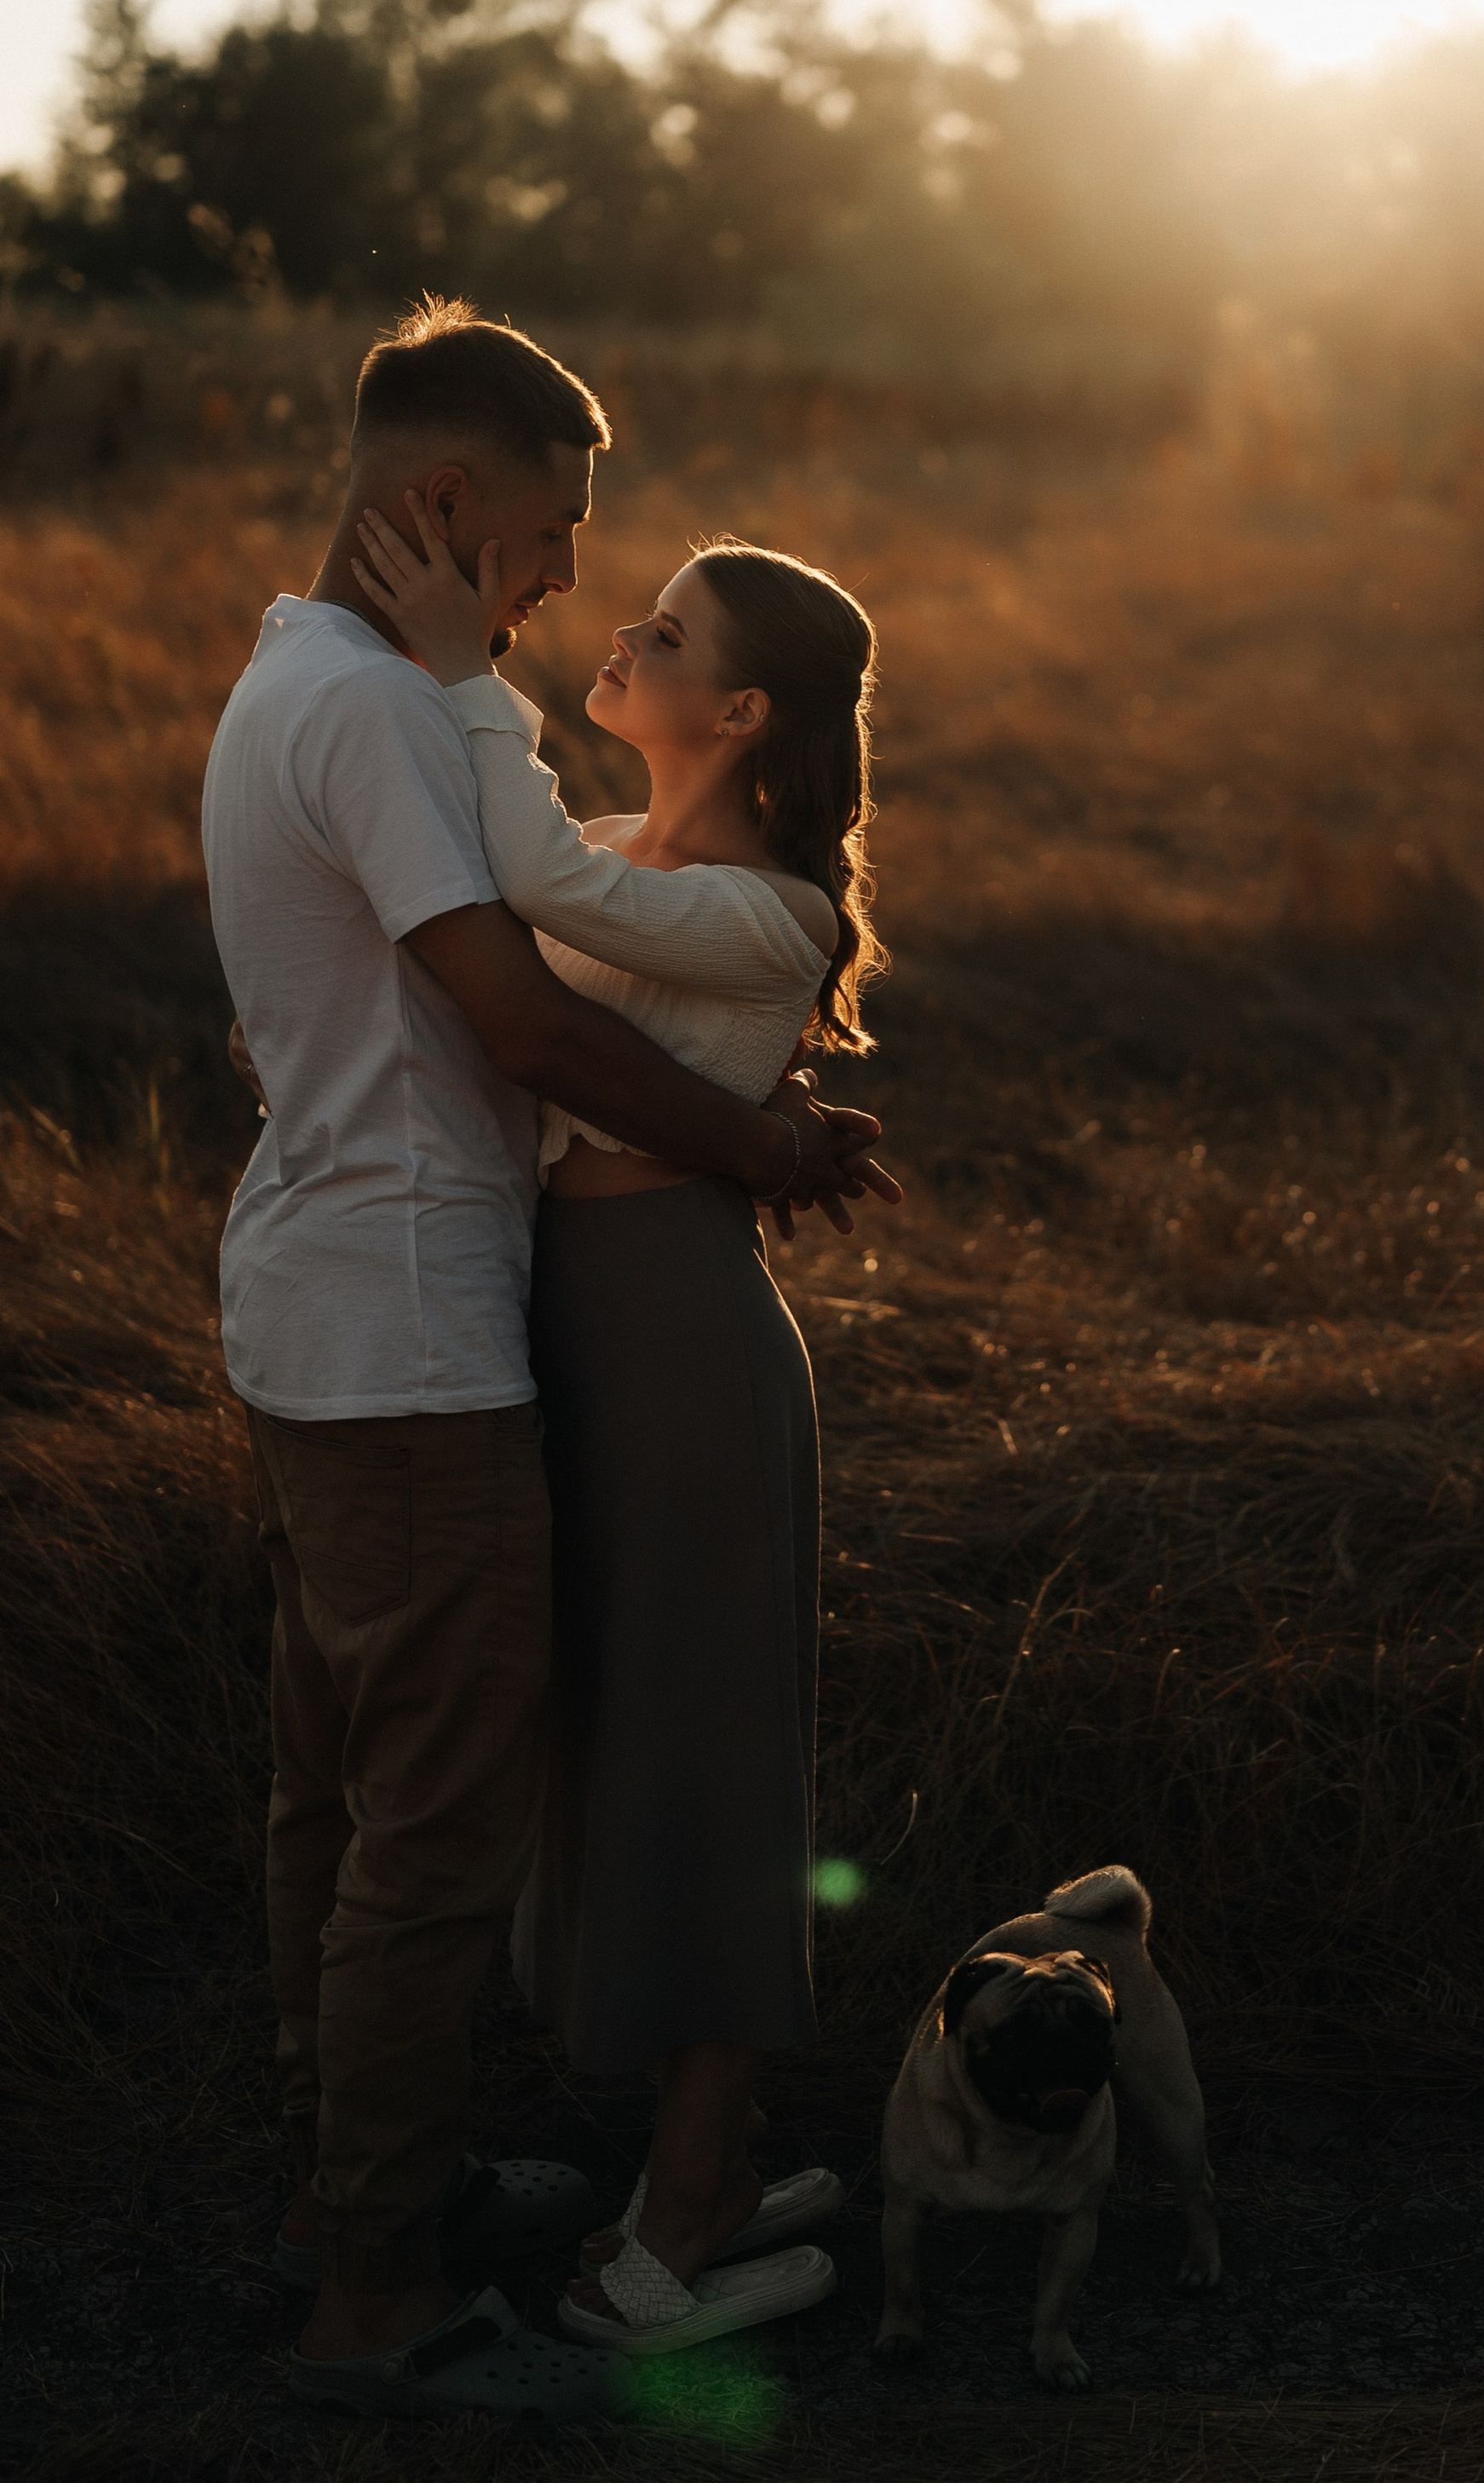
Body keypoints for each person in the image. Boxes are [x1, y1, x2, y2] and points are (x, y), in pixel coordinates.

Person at [200, 300, 897, 2423]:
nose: (571, 579)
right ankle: (375, 2276)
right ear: (441, 505)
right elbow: (533, 1018)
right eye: (556, 528)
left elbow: (578, 951)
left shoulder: (304, 679)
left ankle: (389, 2201)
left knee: (368, 1794)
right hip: (410, 1321)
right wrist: (769, 1143)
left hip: (402, 1308)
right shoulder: (400, 709)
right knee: (414, 1821)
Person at [345, 494, 884, 2358]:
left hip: (680, 1339)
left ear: (739, 717)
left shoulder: (766, 908)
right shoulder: (610, 841)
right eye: (636, 625)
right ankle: (710, 2147)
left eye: (663, 637)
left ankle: (688, 2194)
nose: (625, 648)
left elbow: (549, 904)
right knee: (615, 1739)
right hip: (580, 1322)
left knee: (704, 1755)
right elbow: (511, 904)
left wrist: (457, 665)